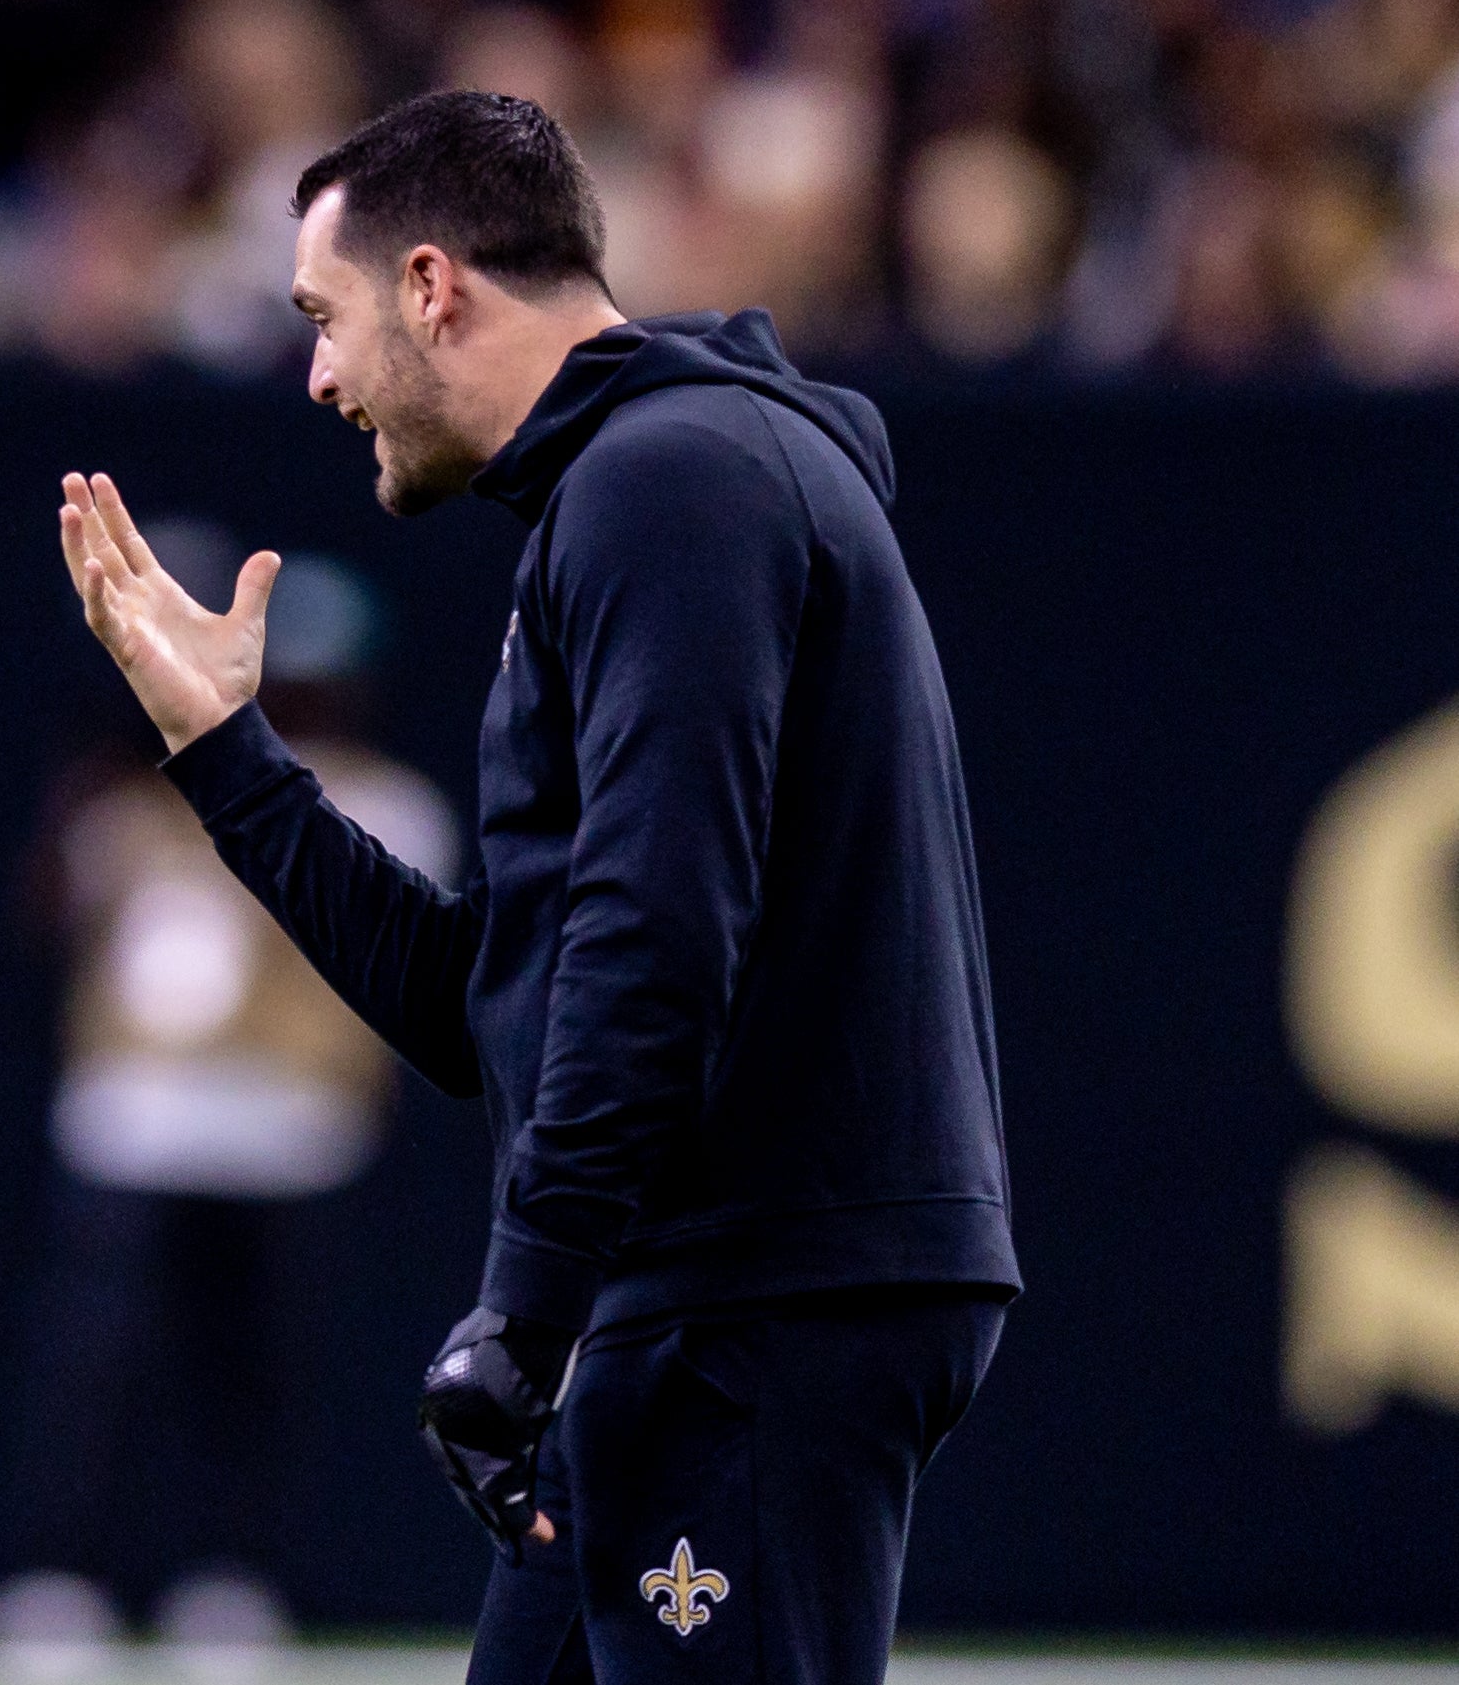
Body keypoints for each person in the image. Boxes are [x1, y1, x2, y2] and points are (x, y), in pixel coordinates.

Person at [54, 89, 1018, 1685]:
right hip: (708, 1281)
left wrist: (522, 1307)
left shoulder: (671, 482)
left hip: (752, 1293)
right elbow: (497, 1003)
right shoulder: (656, 479)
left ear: (431, 285)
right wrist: (225, 753)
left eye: (325, 317)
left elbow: (658, 933)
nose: (318, 375)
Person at [0, 546, 457, 1655]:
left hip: (283, 1128)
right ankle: (62, 1573)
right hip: (139, 1116)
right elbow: (57, 916)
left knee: (252, 1368)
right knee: (98, 1364)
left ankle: (232, 1575)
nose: (296, 706)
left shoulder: (384, 800)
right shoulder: (140, 801)